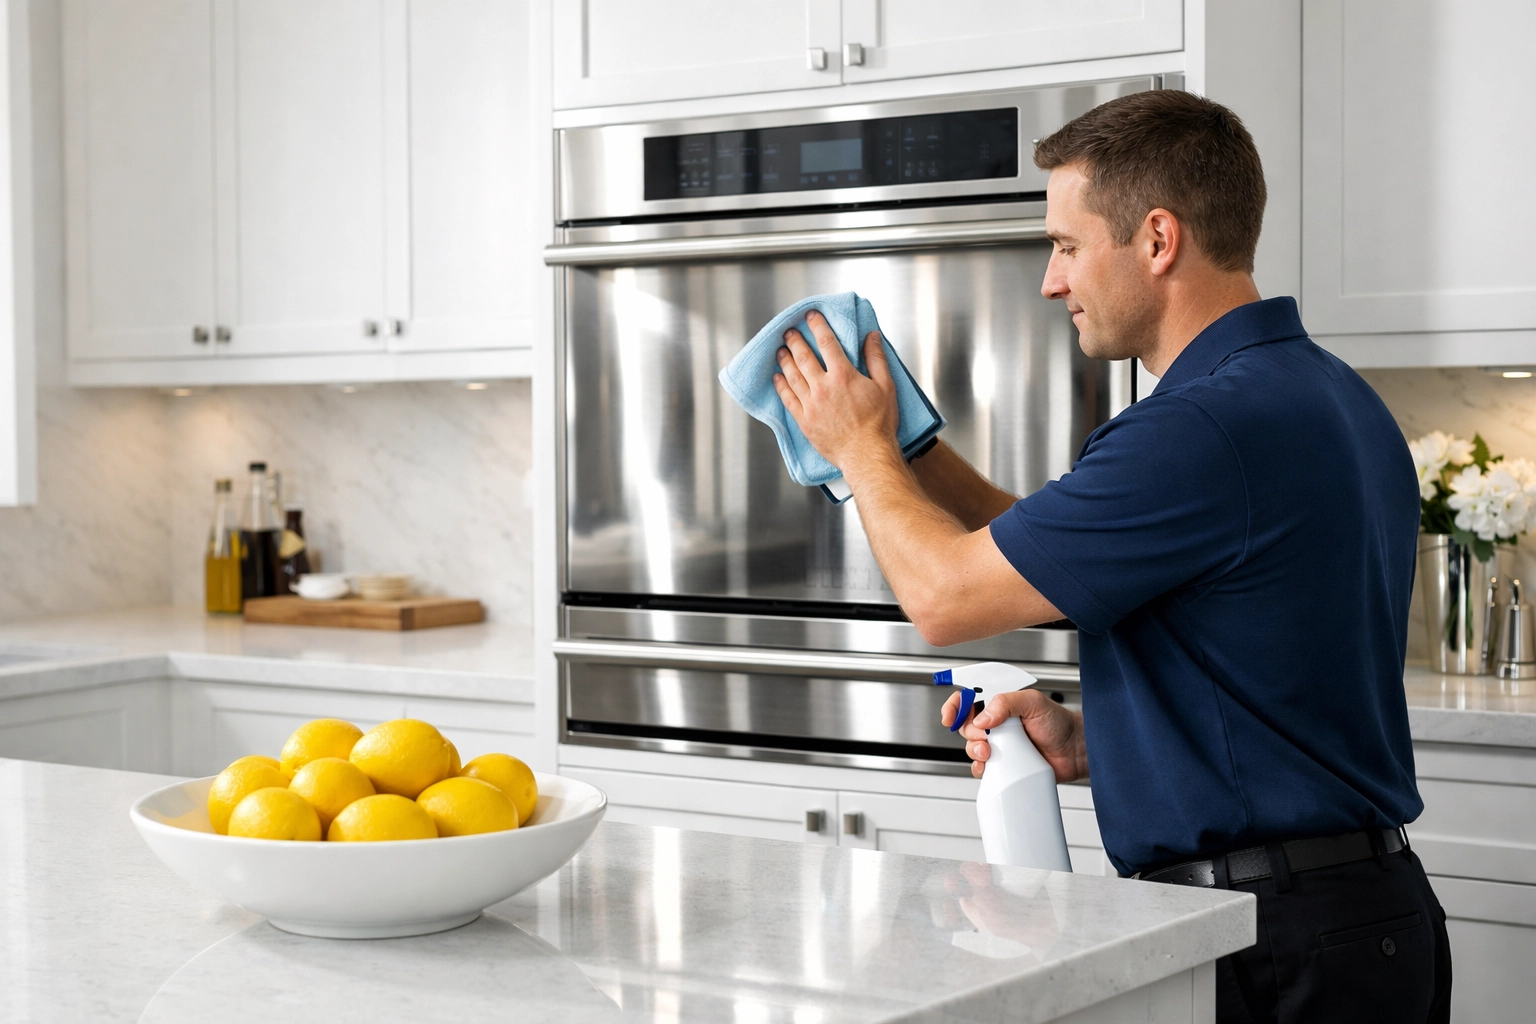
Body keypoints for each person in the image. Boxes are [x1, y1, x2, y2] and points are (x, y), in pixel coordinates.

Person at [770, 90, 1451, 1023]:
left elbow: (945, 597)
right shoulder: (1323, 394)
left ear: (1158, 239)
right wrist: (1105, 742)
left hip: (1272, 941)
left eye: (1066, 244)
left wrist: (860, 447)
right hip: (1347, 923)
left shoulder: (1199, 429)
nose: (1051, 281)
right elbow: (1098, 576)